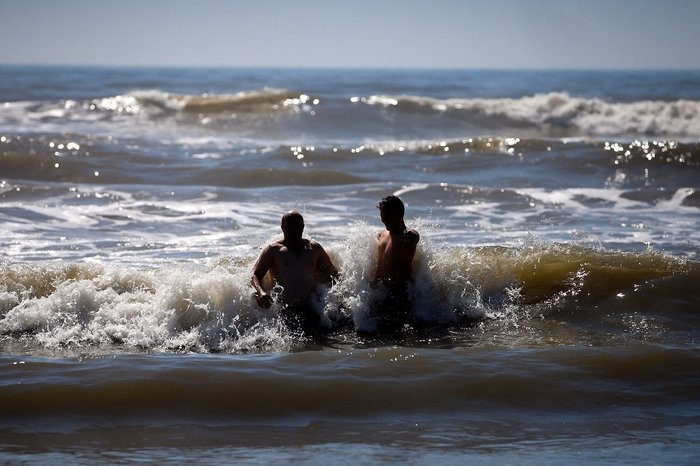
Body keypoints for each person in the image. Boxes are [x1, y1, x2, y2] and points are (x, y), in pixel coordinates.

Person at [251, 211, 339, 332]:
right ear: (282, 227)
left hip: (312, 309)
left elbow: (333, 275)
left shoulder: (314, 248)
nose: (293, 228)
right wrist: (261, 293)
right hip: (284, 311)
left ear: (303, 226)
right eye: (289, 225)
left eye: (297, 224)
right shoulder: (273, 250)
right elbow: (255, 275)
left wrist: (338, 298)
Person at [373, 195, 420, 333]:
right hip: (381, 291)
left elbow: (414, 235)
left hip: (399, 293)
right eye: (382, 215)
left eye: (387, 216)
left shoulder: (407, 235)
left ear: (398, 215)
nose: (383, 219)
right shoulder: (382, 235)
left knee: (396, 334)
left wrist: (412, 235)